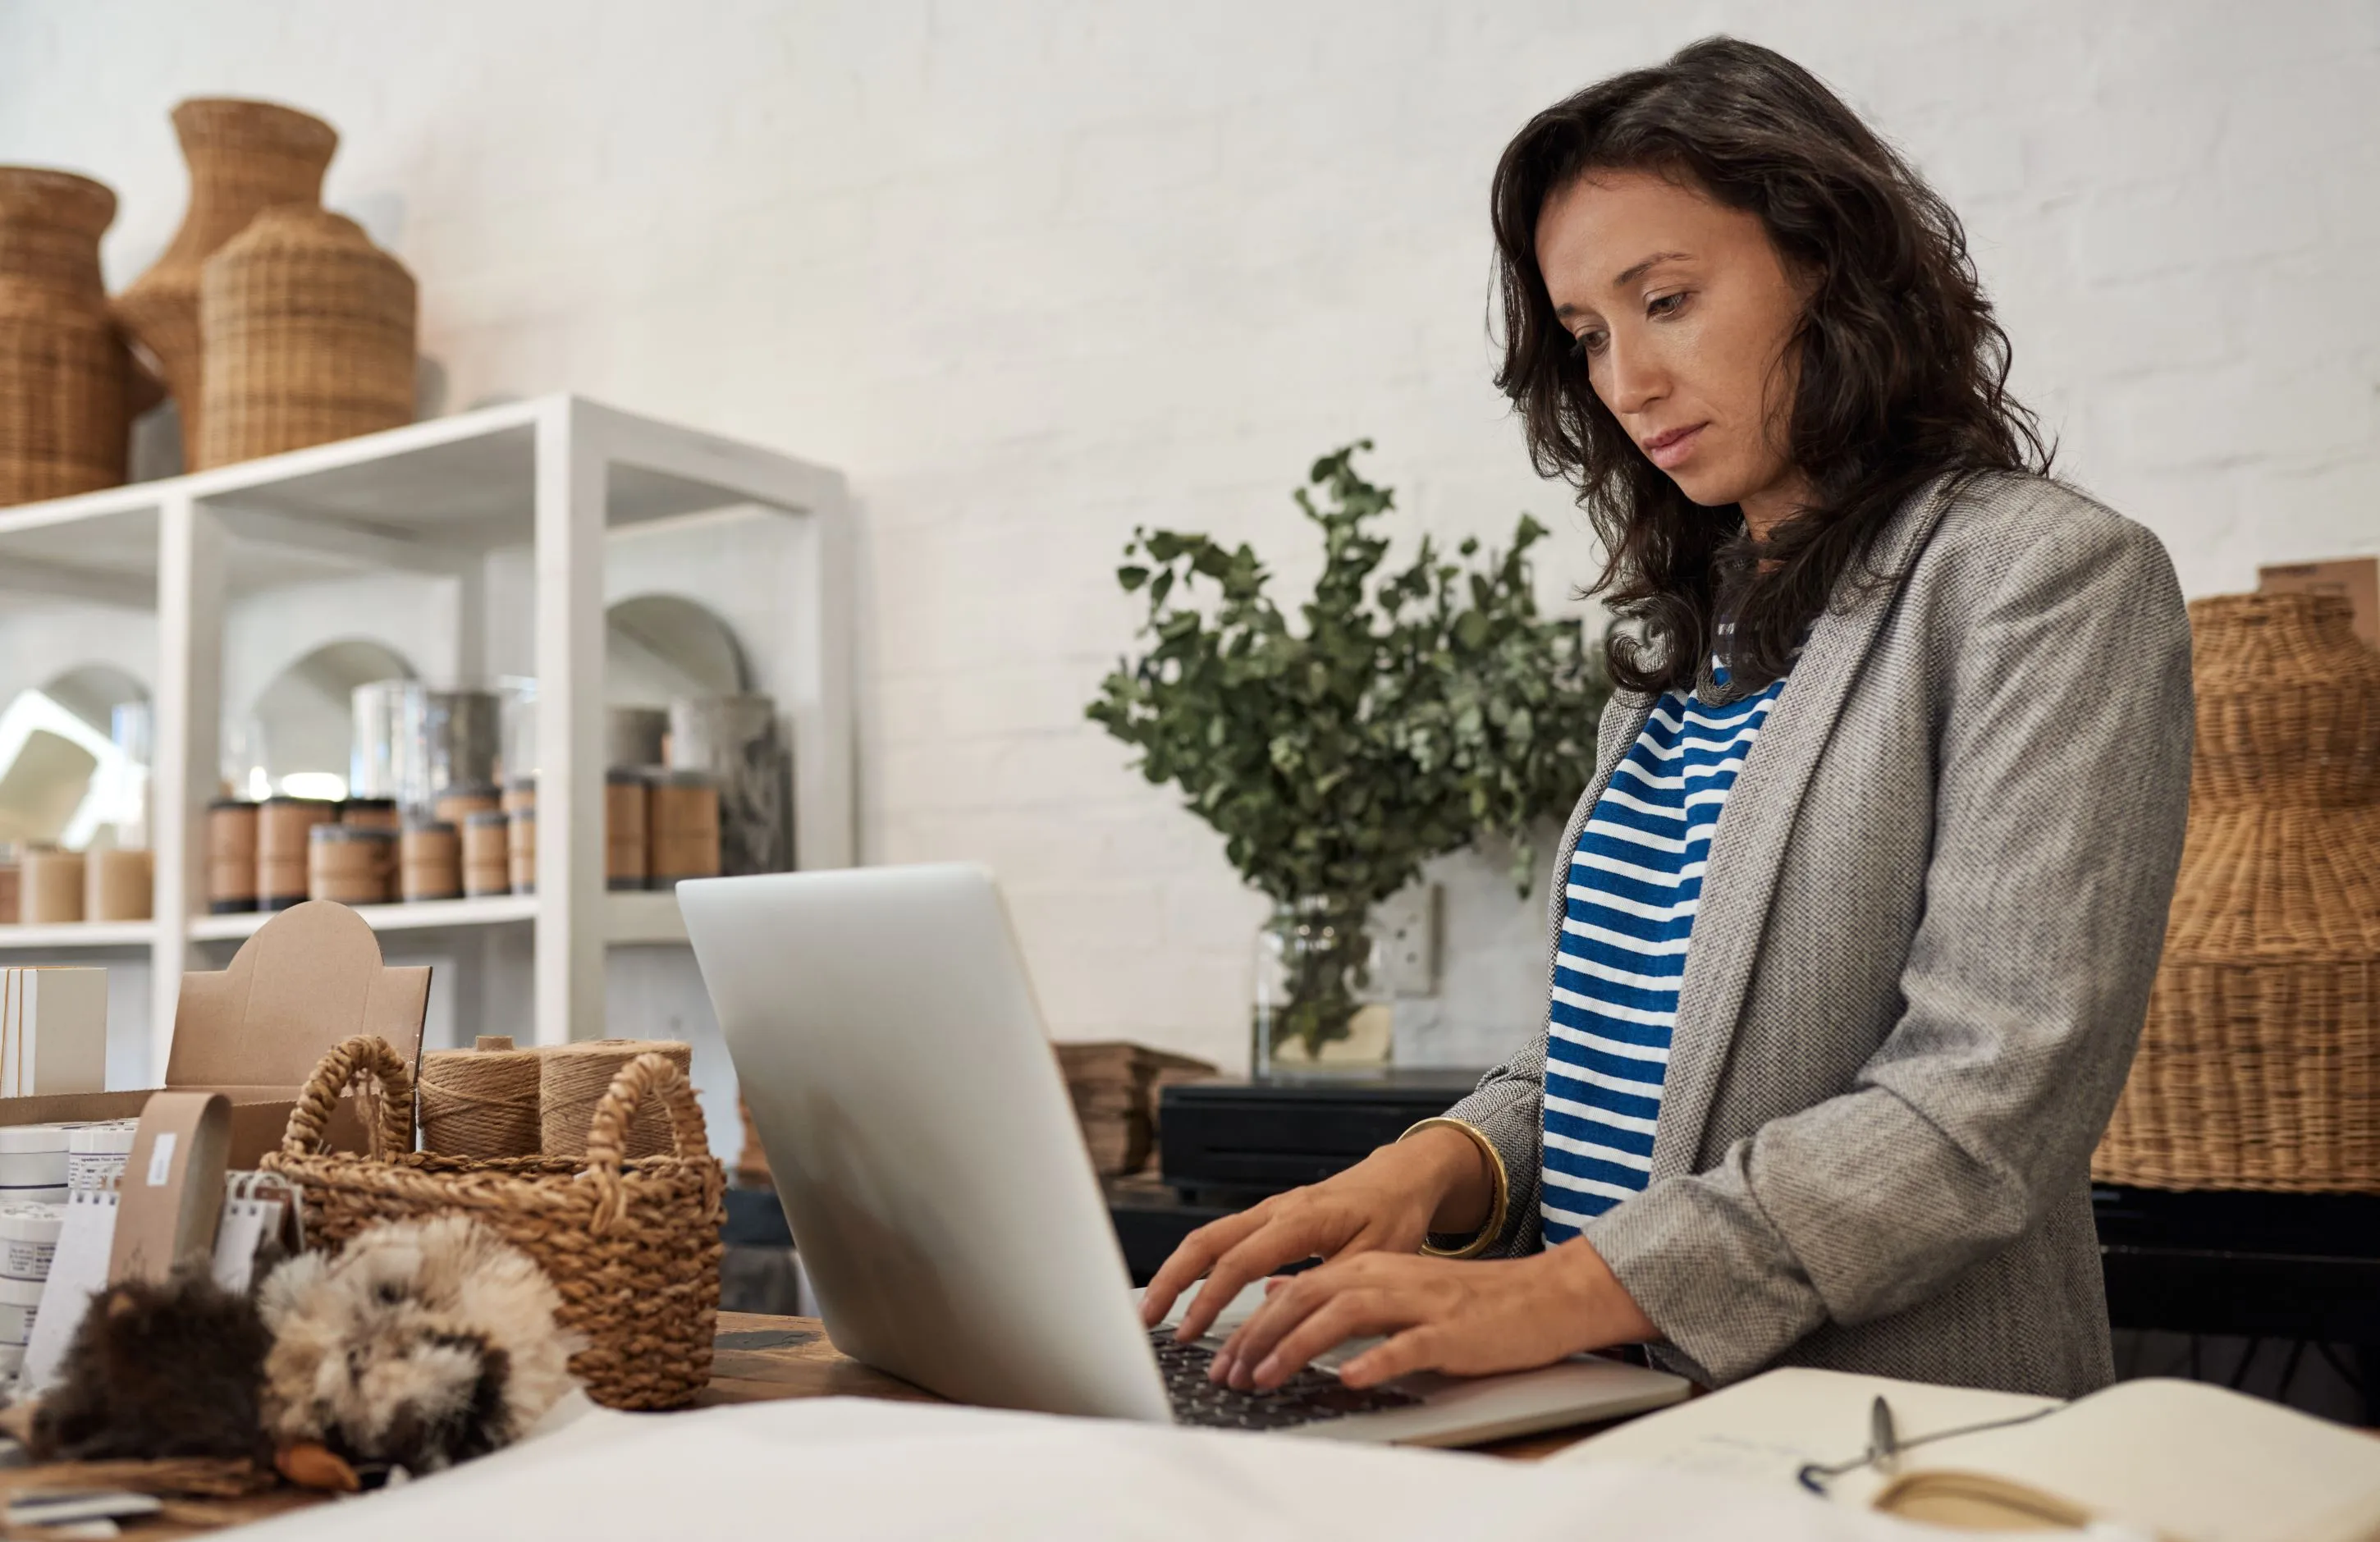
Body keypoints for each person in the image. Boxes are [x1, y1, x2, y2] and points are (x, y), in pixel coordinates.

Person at [1138, 36, 2194, 1400]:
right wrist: (1435, 1167)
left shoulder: (2043, 579)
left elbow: (1979, 1106)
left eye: (1669, 300)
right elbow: (1627, 1042)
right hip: (1607, 1404)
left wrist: (1548, 1295)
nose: (1625, 382)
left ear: (1829, 262)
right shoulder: (1681, 639)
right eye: (1587, 336)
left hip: (1886, 1432)